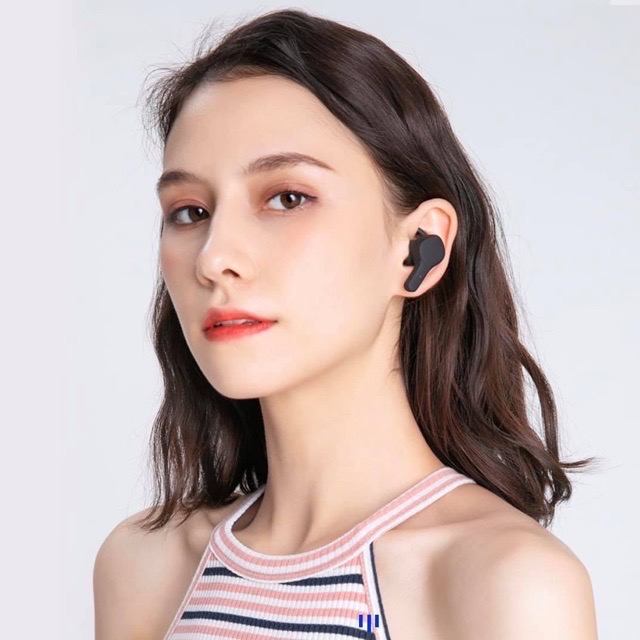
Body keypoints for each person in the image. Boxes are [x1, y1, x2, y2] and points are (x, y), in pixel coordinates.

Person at [93, 8, 599, 639]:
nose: (214, 258)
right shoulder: (145, 566)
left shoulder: (503, 581)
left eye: (287, 198)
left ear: (419, 250)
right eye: (190, 211)